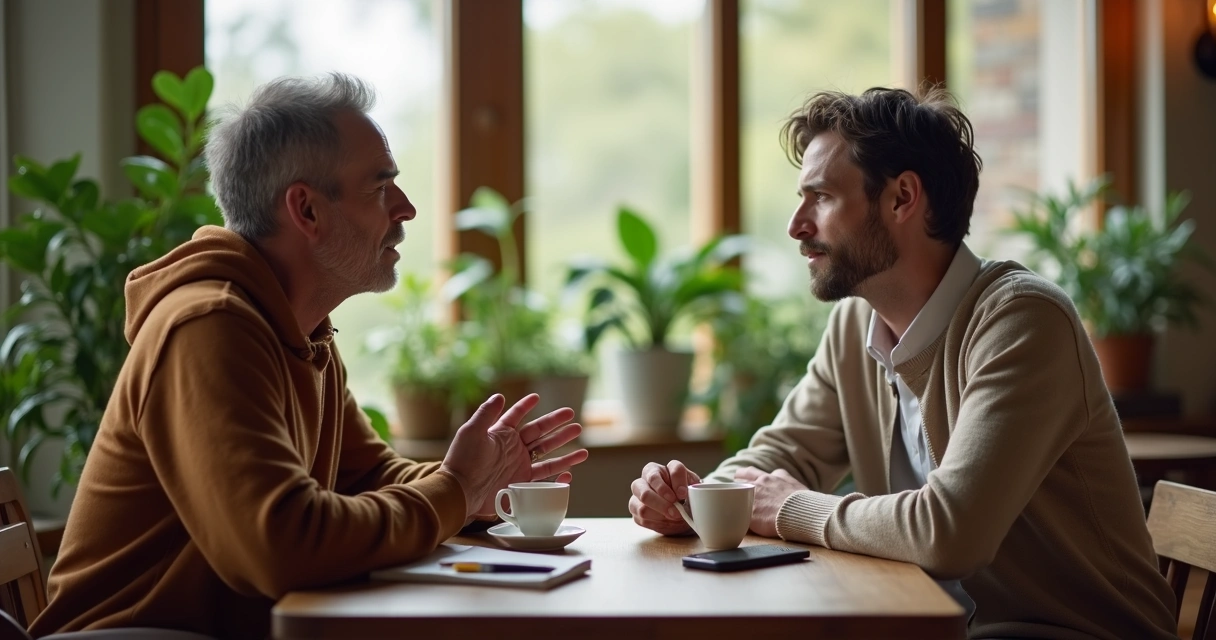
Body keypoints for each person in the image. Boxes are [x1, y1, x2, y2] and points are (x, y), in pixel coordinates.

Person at [31, 73, 588, 639]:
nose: (407, 208)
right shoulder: (210, 326)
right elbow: (280, 545)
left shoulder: (301, 331)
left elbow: (369, 475)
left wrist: (479, 486)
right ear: (307, 210)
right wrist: (455, 491)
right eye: (379, 188)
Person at [629, 86, 1177, 639]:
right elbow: (783, 453)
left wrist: (792, 508)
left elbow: (950, 532)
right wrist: (693, 502)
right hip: (940, 625)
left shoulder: (1022, 322)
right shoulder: (854, 326)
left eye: (820, 197)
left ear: (902, 198)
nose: (797, 225)